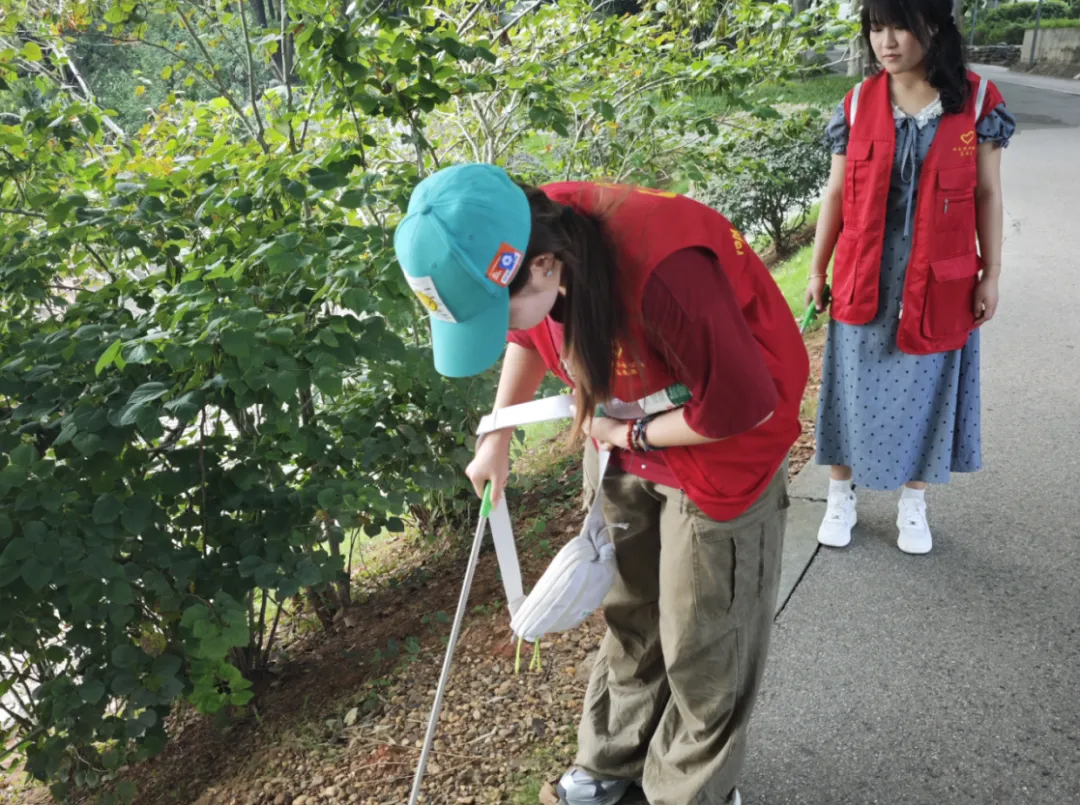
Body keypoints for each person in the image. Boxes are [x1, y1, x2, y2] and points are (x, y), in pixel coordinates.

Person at [394, 164, 809, 805]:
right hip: (622, 431)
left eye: (493, 312)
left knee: (704, 631)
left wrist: (628, 435)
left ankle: (691, 788)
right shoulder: (524, 236)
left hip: (722, 443)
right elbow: (529, 332)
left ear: (543, 266)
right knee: (631, 611)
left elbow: (742, 406)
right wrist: (497, 434)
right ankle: (613, 762)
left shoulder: (663, 268)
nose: (498, 330)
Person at [806, 0, 1015, 555]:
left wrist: (991, 273)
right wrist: (817, 269)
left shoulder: (977, 103)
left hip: (940, 277)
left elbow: (987, 193)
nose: (887, 42)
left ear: (935, 27)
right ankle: (840, 495)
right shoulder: (857, 103)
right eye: (876, 29)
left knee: (927, 387)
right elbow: (835, 193)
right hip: (865, 272)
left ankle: (913, 502)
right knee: (850, 385)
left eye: (901, 26)